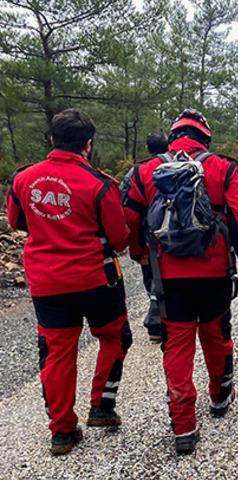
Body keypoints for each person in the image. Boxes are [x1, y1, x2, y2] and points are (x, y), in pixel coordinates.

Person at [123, 109, 238, 454]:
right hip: (214, 272)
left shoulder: (146, 170)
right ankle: (219, 397)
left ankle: (184, 426)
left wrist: (139, 252)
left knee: (177, 348)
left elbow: (130, 218)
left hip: (169, 278)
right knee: (218, 339)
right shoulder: (224, 167)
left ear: (173, 137)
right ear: (206, 138)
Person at [6, 109, 132, 455]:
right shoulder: (101, 184)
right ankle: (102, 408)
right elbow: (120, 238)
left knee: (57, 352)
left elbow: (16, 222)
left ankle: (62, 431)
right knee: (114, 336)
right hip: (96, 279)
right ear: (88, 145)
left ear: (52, 140)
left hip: (46, 283)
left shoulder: (22, 180)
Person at [121, 132, 169, 343]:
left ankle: (156, 322)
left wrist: (134, 246)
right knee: (164, 278)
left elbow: (127, 208)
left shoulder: (136, 171)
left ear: (147, 147)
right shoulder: (174, 165)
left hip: (145, 235)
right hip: (170, 232)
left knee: (151, 278)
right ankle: (160, 320)